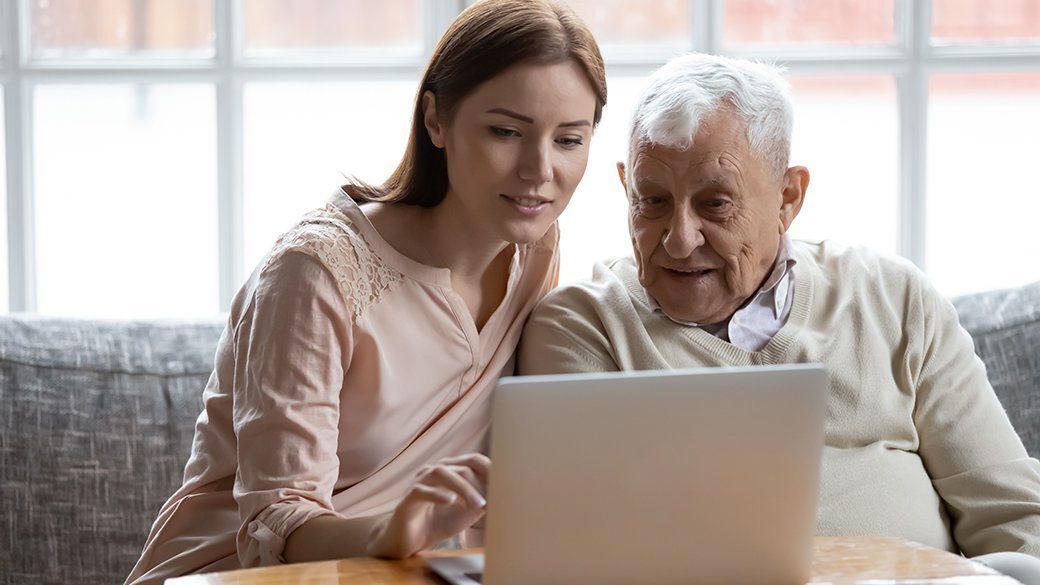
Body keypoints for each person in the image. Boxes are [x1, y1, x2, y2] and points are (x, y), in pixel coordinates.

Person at [125, 1, 606, 583]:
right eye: (506, 132)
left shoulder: (534, 249)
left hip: (400, 572)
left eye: (569, 140)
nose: (539, 170)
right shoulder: (313, 274)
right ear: (436, 121)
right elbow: (274, 521)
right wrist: (391, 531)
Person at [519, 53, 1040, 563]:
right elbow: (584, 552)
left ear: (789, 197)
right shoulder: (583, 328)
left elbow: (1012, 514)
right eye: (652, 201)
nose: (678, 240)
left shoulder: (895, 297)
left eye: (715, 203)